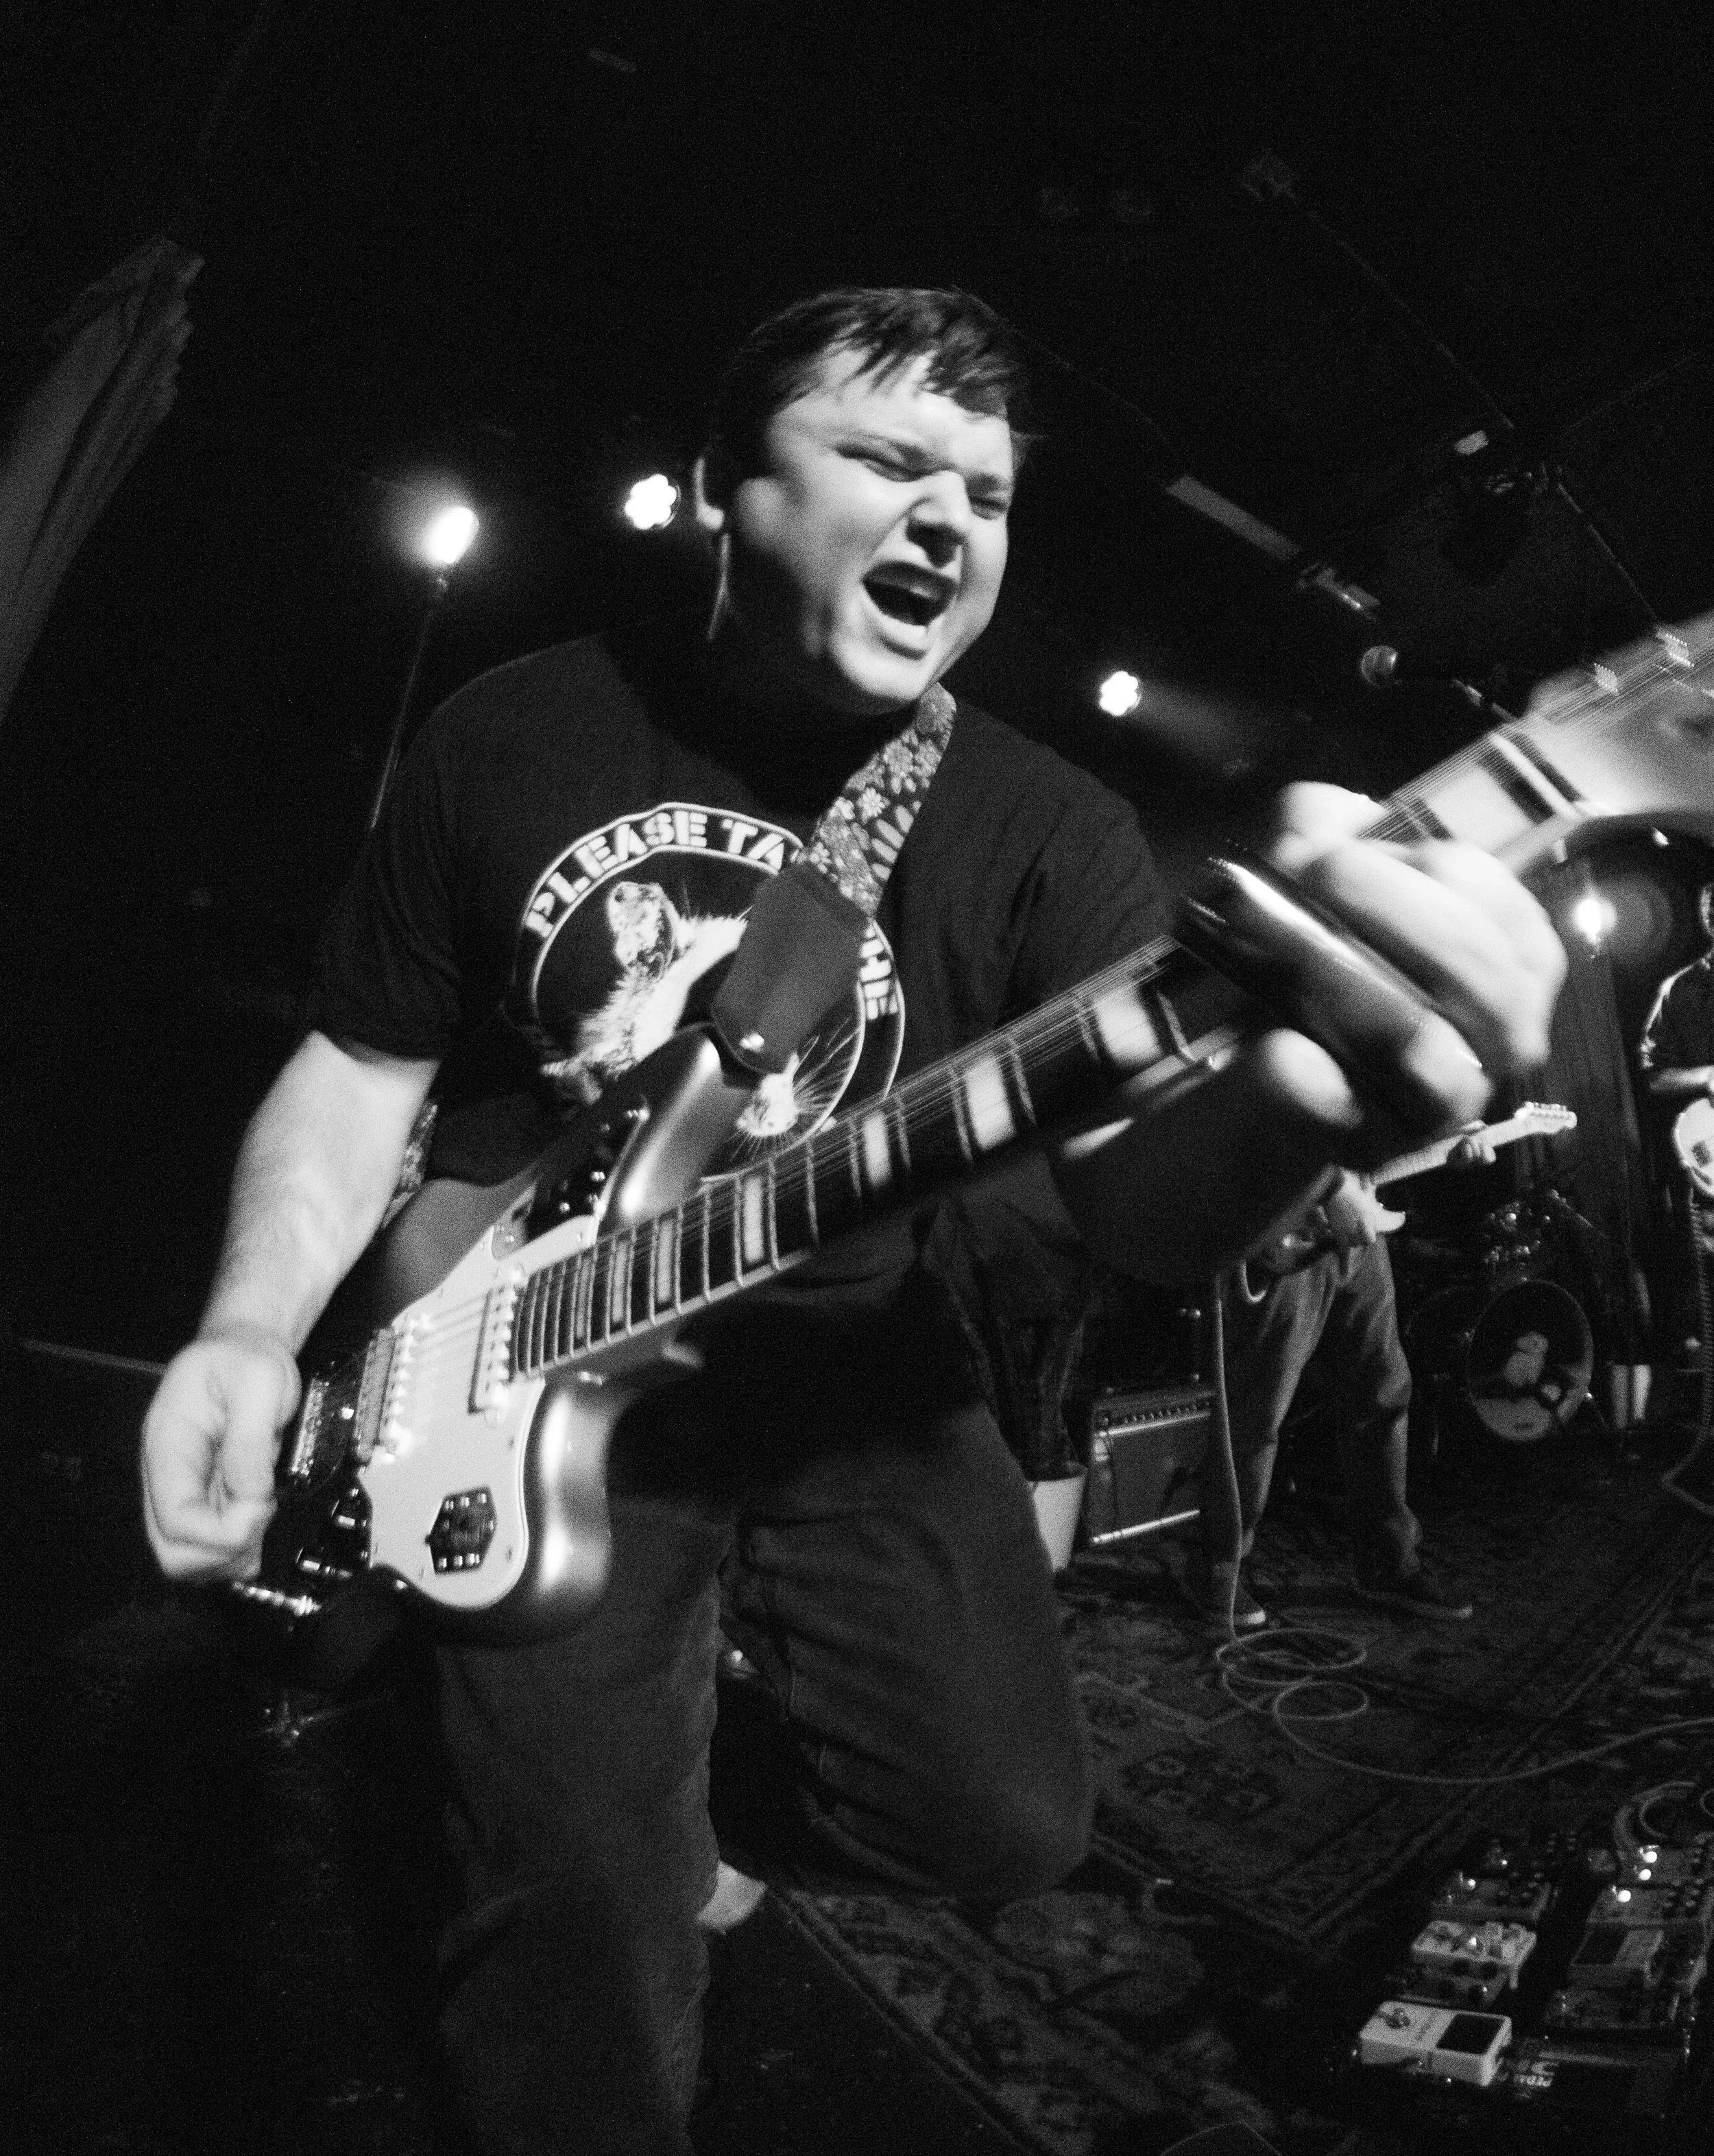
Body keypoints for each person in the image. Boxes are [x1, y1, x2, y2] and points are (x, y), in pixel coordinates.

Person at [138, 287, 1565, 2154]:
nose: (950, 518)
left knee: (1002, 1820)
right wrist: (250, 1327)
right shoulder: (516, 731)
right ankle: (572, 1810)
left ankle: (656, 1786)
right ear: (723, 487)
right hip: (518, 1370)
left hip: (849, 1367)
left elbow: (1135, 1212)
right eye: (887, 459)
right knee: (572, 1928)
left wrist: (1312, 1113)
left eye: (987, 491)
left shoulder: (1047, 830)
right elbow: (359, 1059)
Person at [1190, 1153, 1490, 1632]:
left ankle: (1389, 1562)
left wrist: (1449, 1141)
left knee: (1383, 1391)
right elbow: (1263, 1117)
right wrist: (1330, 1187)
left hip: (1356, 1229)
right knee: (1259, 1407)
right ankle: (1217, 1564)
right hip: (1287, 1215)